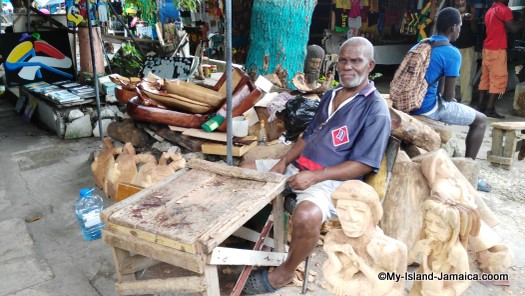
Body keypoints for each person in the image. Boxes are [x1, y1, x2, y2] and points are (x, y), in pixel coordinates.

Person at [240, 36, 391, 294]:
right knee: (246, 171)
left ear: (370, 66)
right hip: (300, 166)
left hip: (333, 182)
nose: (347, 67)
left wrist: (315, 177)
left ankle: (283, 273)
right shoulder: (331, 94)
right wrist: (283, 161)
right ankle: (262, 240)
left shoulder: (375, 110)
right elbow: (307, 136)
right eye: (343, 60)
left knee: (307, 215)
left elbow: (362, 165)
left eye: (356, 61)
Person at [410, 7, 489, 190]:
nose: (460, 30)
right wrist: (449, 98)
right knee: (481, 121)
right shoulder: (452, 52)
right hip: (427, 107)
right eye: (460, 27)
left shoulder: (421, 44)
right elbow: (448, 96)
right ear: (453, 27)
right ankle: (469, 172)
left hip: (410, 101)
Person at [323, 180, 407, 296]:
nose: (350, 217)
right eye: (342, 209)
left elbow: (395, 286)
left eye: (359, 210)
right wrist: (339, 284)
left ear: (373, 213)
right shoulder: (334, 237)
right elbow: (331, 272)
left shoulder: (384, 248)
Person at [408, 197, 476, 296]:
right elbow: (407, 262)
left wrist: (448, 293)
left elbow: (465, 281)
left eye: (439, 225)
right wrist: (414, 251)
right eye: (428, 221)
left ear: (453, 230)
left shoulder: (457, 252)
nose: (431, 228)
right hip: (419, 287)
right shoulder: (425, 239)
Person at [478, 0, 525, 118]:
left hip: (487, 49)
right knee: (498, 79)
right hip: (497, 49)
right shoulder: (505, 10)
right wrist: (523, 19)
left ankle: (481, 106)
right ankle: (489, 109)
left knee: (485, 79)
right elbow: (513, 28)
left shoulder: (490, 10)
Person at [449, 0, 477, 106]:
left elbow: (475, 30)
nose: (460, 1)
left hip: (467, 46)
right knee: (449, 74)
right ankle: (449, 100)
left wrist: (473, 20)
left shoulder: (470, 7)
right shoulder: (449, 7)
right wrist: (461, 16)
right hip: (451, 46)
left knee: (467, 77)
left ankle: (466, 102)